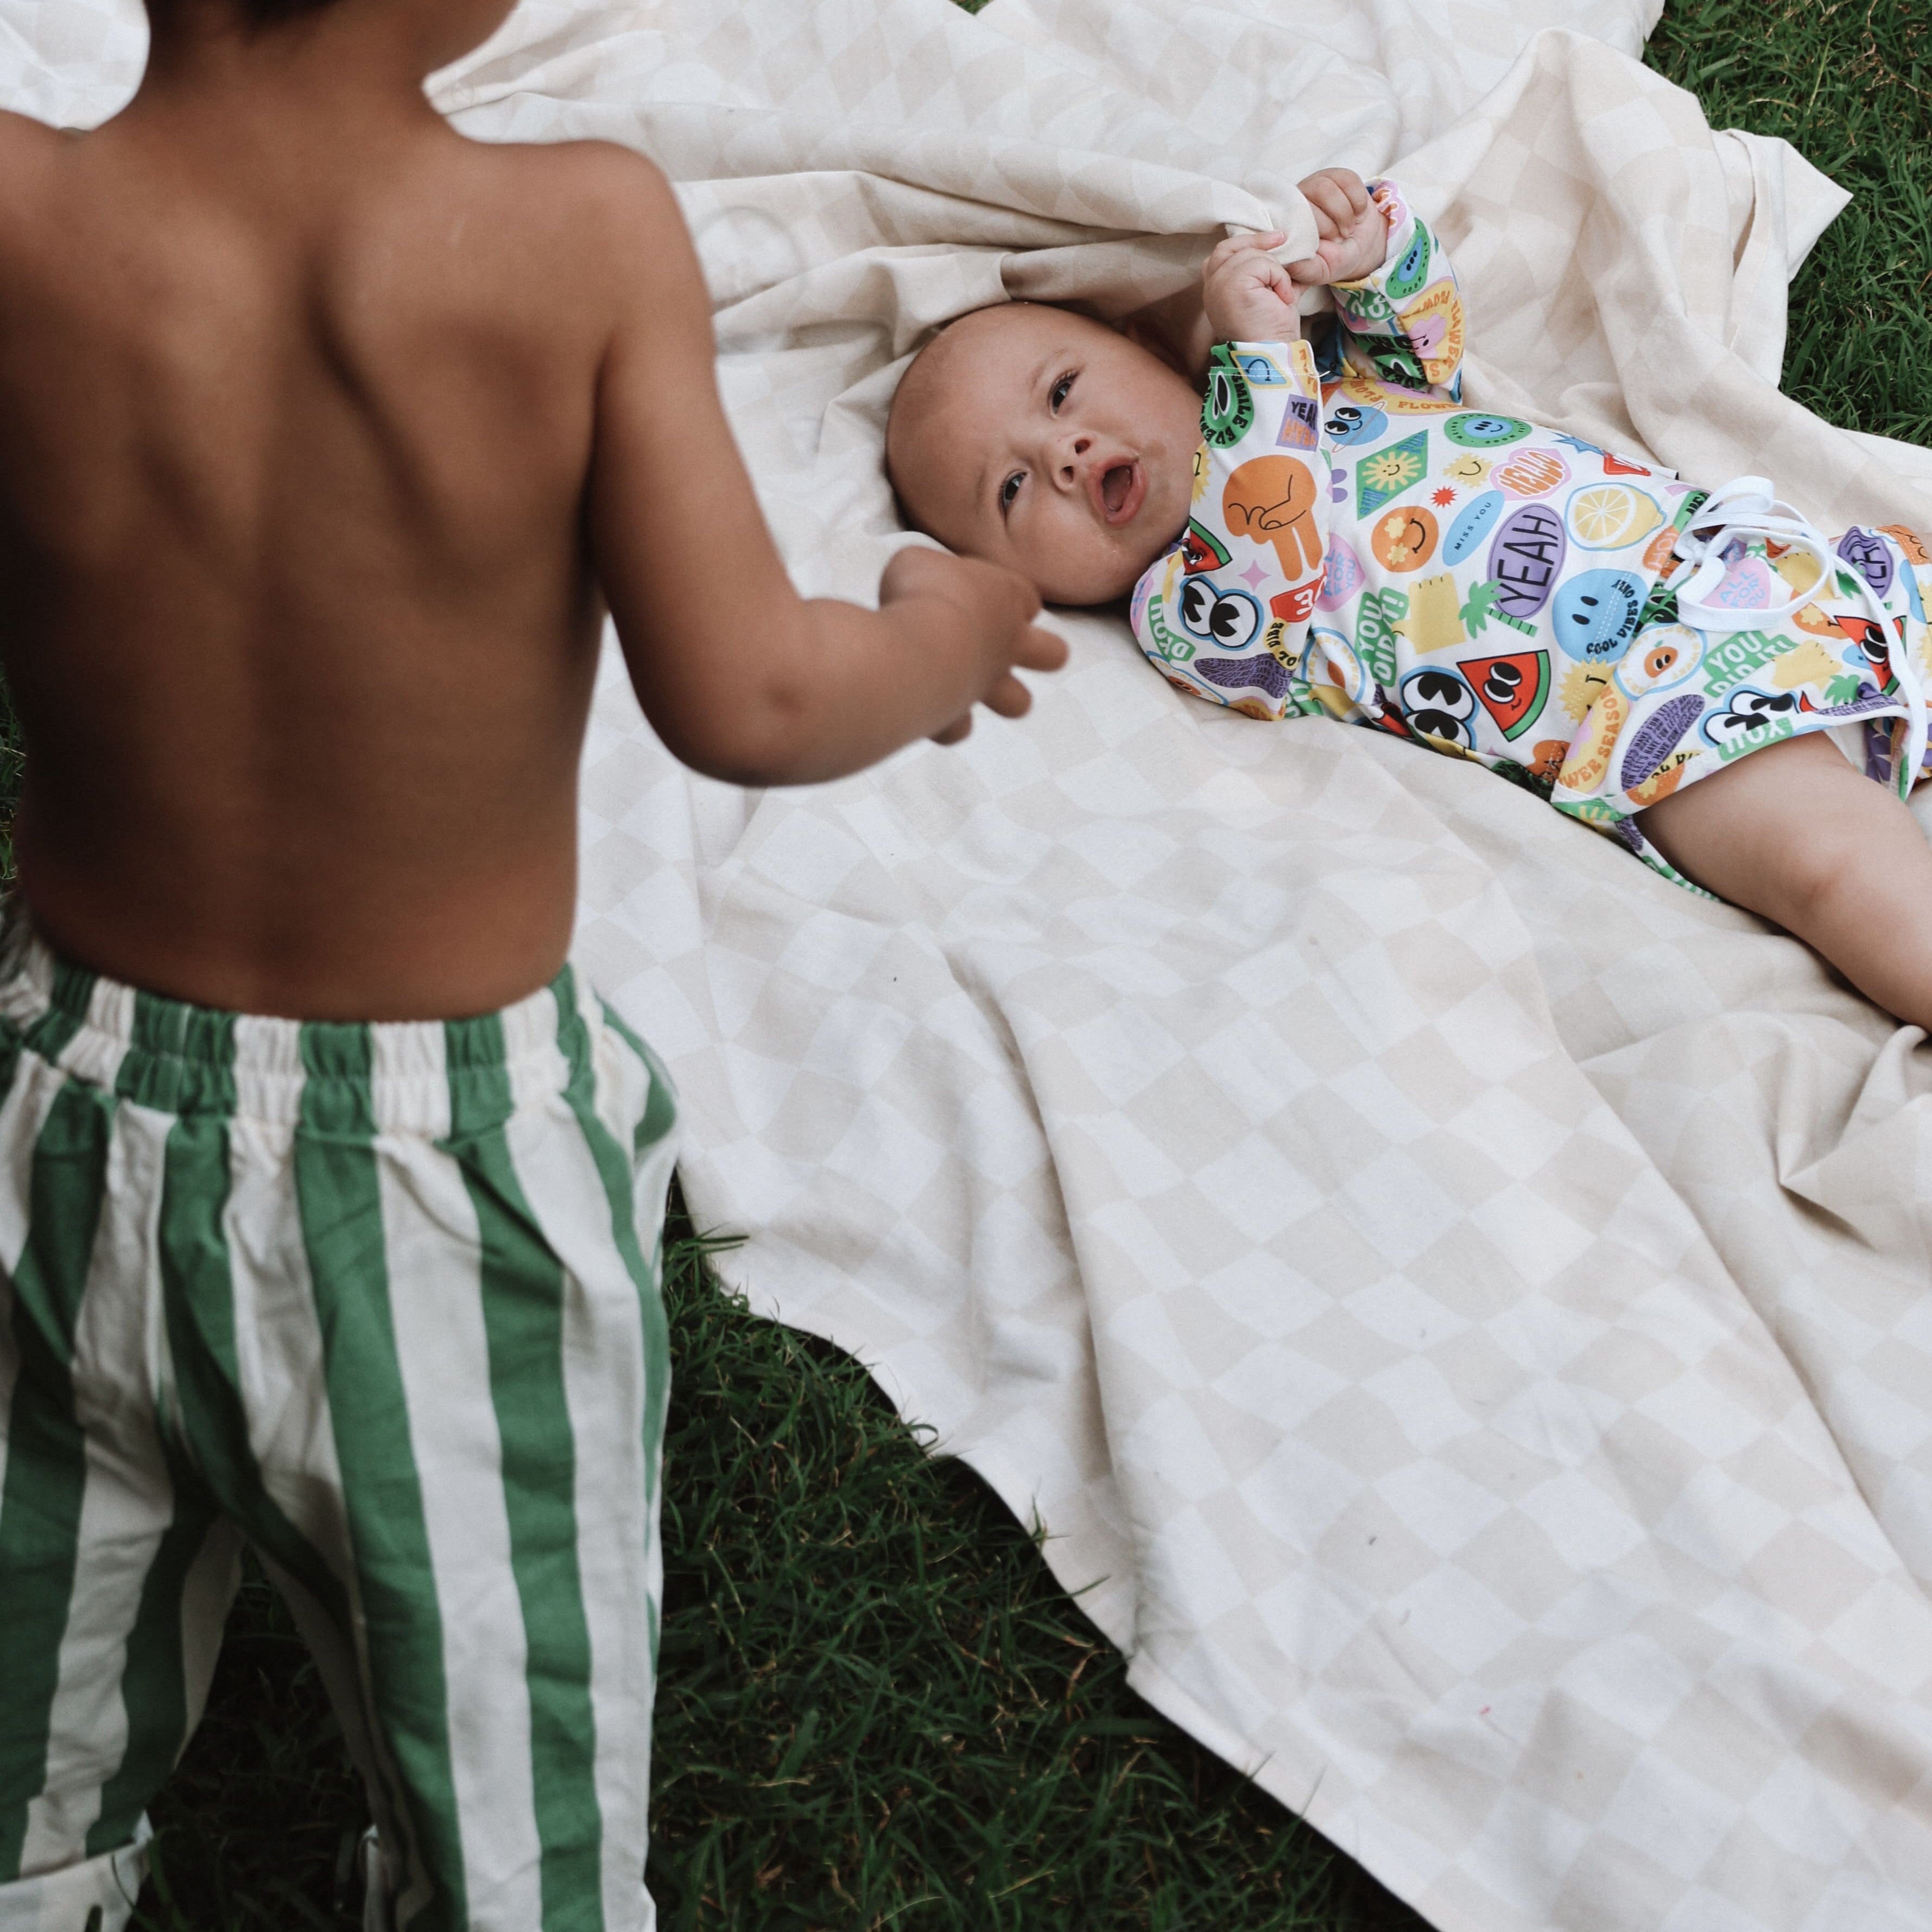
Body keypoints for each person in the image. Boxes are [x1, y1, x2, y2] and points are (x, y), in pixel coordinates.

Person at [0, 0, 1063, 1926]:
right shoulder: (573, 234)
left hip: (66, 1112)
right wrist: (948, 618)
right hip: (434, 1188)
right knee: (509, 1730)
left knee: (34, 1646)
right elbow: (748, 691)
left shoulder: (19, 212)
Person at [887, 167, 1932, 1030]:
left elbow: (1425, 361)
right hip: (1655, 712)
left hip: (1776, 580)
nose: (1063, 454)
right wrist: (1259, 362)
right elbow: (1270, 531)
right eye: (1012, 490)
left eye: (1063, 391)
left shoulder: (1333, 394)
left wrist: (1375, 262)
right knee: (1835, 867)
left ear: (1156, 356)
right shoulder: (1186, 611)